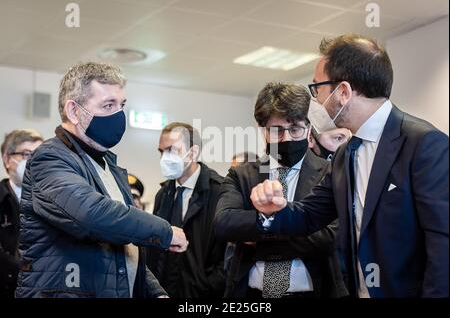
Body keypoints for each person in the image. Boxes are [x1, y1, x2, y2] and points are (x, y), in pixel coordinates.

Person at [251, 34, 449, 298]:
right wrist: (274, 208)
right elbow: (310, 214)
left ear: (342, 92)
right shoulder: (346, 153)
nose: (316, 100)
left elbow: (443, 243)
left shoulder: (423, 144)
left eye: (317, 88)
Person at [15, 62, 188, 298]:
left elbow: (124, 248)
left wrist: (154, 292)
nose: (118, 115)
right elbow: (92, 216)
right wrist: (164, 231)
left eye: (121, 105)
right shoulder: (49, 158)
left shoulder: (108, 166)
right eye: (108, 105)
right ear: (74, 111)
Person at [215, 82, 347, 298]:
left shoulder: (330, 173)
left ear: (309, 130)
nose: (286, 138)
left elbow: (329, 237)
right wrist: (294, 231)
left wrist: (259, 232)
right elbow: (224, 224)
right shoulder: (242, 175)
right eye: (276, 131)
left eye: (295, 129)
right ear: (264, 132)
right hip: (251, 295)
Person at [146, 122, 226, 298]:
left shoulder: (220, 192)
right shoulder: (164, 194)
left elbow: (229, 254)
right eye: (161, 152)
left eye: (172, 150)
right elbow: (155, 250)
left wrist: (207, 288)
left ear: (193, 152)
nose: (164, 158)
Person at [0, 129, 43, 298]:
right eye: (26, 154)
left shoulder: (53, 201)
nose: (33, 162)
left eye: (38, 155)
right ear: (8, 160)